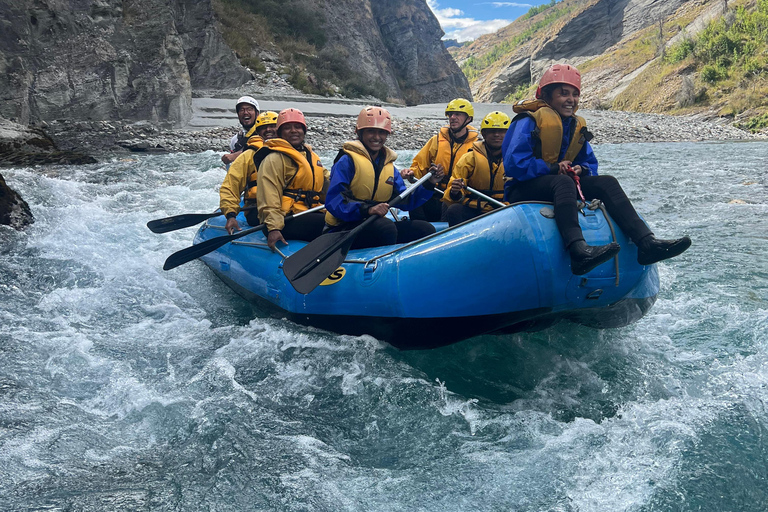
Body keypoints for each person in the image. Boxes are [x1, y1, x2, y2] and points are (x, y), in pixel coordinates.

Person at [502, 63, 691, 275]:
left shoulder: (574, 126)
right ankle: (578, 251)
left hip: (558, 184)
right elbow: (514, 164)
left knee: (606, 182)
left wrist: (581, 169)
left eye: (574, 95)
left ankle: (647, 243)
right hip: (522, 187)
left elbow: (589, 162)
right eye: (563, 94)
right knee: (563, 181)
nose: (570, 100)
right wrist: (554, 168)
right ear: (547, 96)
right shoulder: (528, 121)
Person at [324, 107, 445, 249]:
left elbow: (406, 201)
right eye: (371, 131)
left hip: (372, 224)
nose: (376, 137)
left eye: (381, 132)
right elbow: (334, 201)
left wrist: (430, 183)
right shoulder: (346, 161)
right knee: (386, 227)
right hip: (343, 228)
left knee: (425, 229)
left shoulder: (387, 165)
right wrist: (368, 210)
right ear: (359, 132)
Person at [255, 108, 330, 251]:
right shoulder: (273, 158)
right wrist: (273, 228)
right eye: (287, 128)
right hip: (284, 219)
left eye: (297, 127)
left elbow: (328, 182)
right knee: (331, 224)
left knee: (343, 220)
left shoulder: (310, 156)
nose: (293, 131)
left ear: (304, 130)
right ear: (279, 133)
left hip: (309, 211)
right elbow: (268, 196)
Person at [407, 98, 479, 221]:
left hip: (457, 197)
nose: (452, 117)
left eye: (458, 114)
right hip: (435, 192)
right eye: (450, 114)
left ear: (468, 119)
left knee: (451, 208)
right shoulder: (436, 141)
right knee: (414, 198)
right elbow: (419, 166)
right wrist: (412, 173)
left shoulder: (476, 147)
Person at [443, 111, 510, 227]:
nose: (497, 135)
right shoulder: (470, 158)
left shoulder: (516, 159)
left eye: (502, 131)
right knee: (454, 210)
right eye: (492, 132)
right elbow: (452, 193)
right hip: (475, 209)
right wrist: (455, 191)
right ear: (484, 134)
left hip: (504, 210)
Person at [219, 111, 279, 234]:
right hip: (257, 209)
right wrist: (231, 215)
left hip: (284, 205)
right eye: (263, 128)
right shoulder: (249, 155)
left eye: (273, 126)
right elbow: (231, 185)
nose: (268, 130)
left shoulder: (290, 153)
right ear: (258, 132)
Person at [221, 96, 260, 166]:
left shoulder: (265, 134)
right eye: (241, 110)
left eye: (249, 109)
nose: (245, 112)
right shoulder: (235, 140)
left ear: (257, 113)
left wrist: (235, 156)